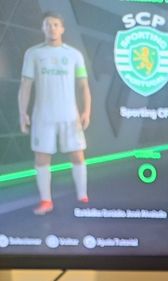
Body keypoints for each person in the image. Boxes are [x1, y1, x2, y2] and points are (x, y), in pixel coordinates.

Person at [18, 11, 91, 215]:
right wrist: (22, 113)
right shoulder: (33, 53)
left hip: (69, 115)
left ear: (62, 28)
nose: (52, 28)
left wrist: (87, 111)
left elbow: (83, 85)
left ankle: (83, 196)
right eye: (48, 24)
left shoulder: (74, 55)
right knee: (42, 158)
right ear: (43, 28)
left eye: (55, 24)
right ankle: (46, 201)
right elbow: (25, 85)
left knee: (78, 156)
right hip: (43, 115)